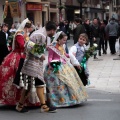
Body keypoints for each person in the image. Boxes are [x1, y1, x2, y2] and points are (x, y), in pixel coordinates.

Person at [15, 21, 57, 113]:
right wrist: (40, 54)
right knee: (36, 83)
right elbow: (28, 45)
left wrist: (45, 48)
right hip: (32, 63)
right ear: (52, 30)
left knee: (31, 85)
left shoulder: (41, 34)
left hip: (35, 63)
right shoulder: (40, 34)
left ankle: (21, 105)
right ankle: (43, 106)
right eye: (55, 31)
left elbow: (35, 46)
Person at [44, 31, 88, 108]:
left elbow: (64, 54)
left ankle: (70, 98)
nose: (65, 42)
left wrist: (69, 55)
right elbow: (50, 57)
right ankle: (58, 100)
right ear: (59, 39)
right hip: (55, 65)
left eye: (65, 40)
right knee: (58, 84)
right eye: (64, 40)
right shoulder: (53, 47)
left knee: (69, 82)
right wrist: (51, 64)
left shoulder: (62, 46)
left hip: (64, 65)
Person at [0, 18, 33, 106]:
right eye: (30, 27)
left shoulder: (25, 34)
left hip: (24, 54)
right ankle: (14, 98)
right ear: (26, 27)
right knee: (16, 75)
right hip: (18, 55)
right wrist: (31, 45)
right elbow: (22, 46)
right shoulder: (20, 34)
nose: (31, 29)